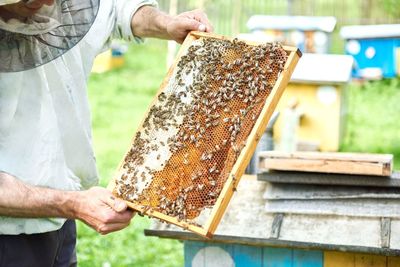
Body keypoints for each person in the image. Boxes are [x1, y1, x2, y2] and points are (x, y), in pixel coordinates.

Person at [0, 0, 212, 266]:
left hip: (61, 222)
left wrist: (166, 24)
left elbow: (115, 11)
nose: (47, 2)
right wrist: (72, 204)